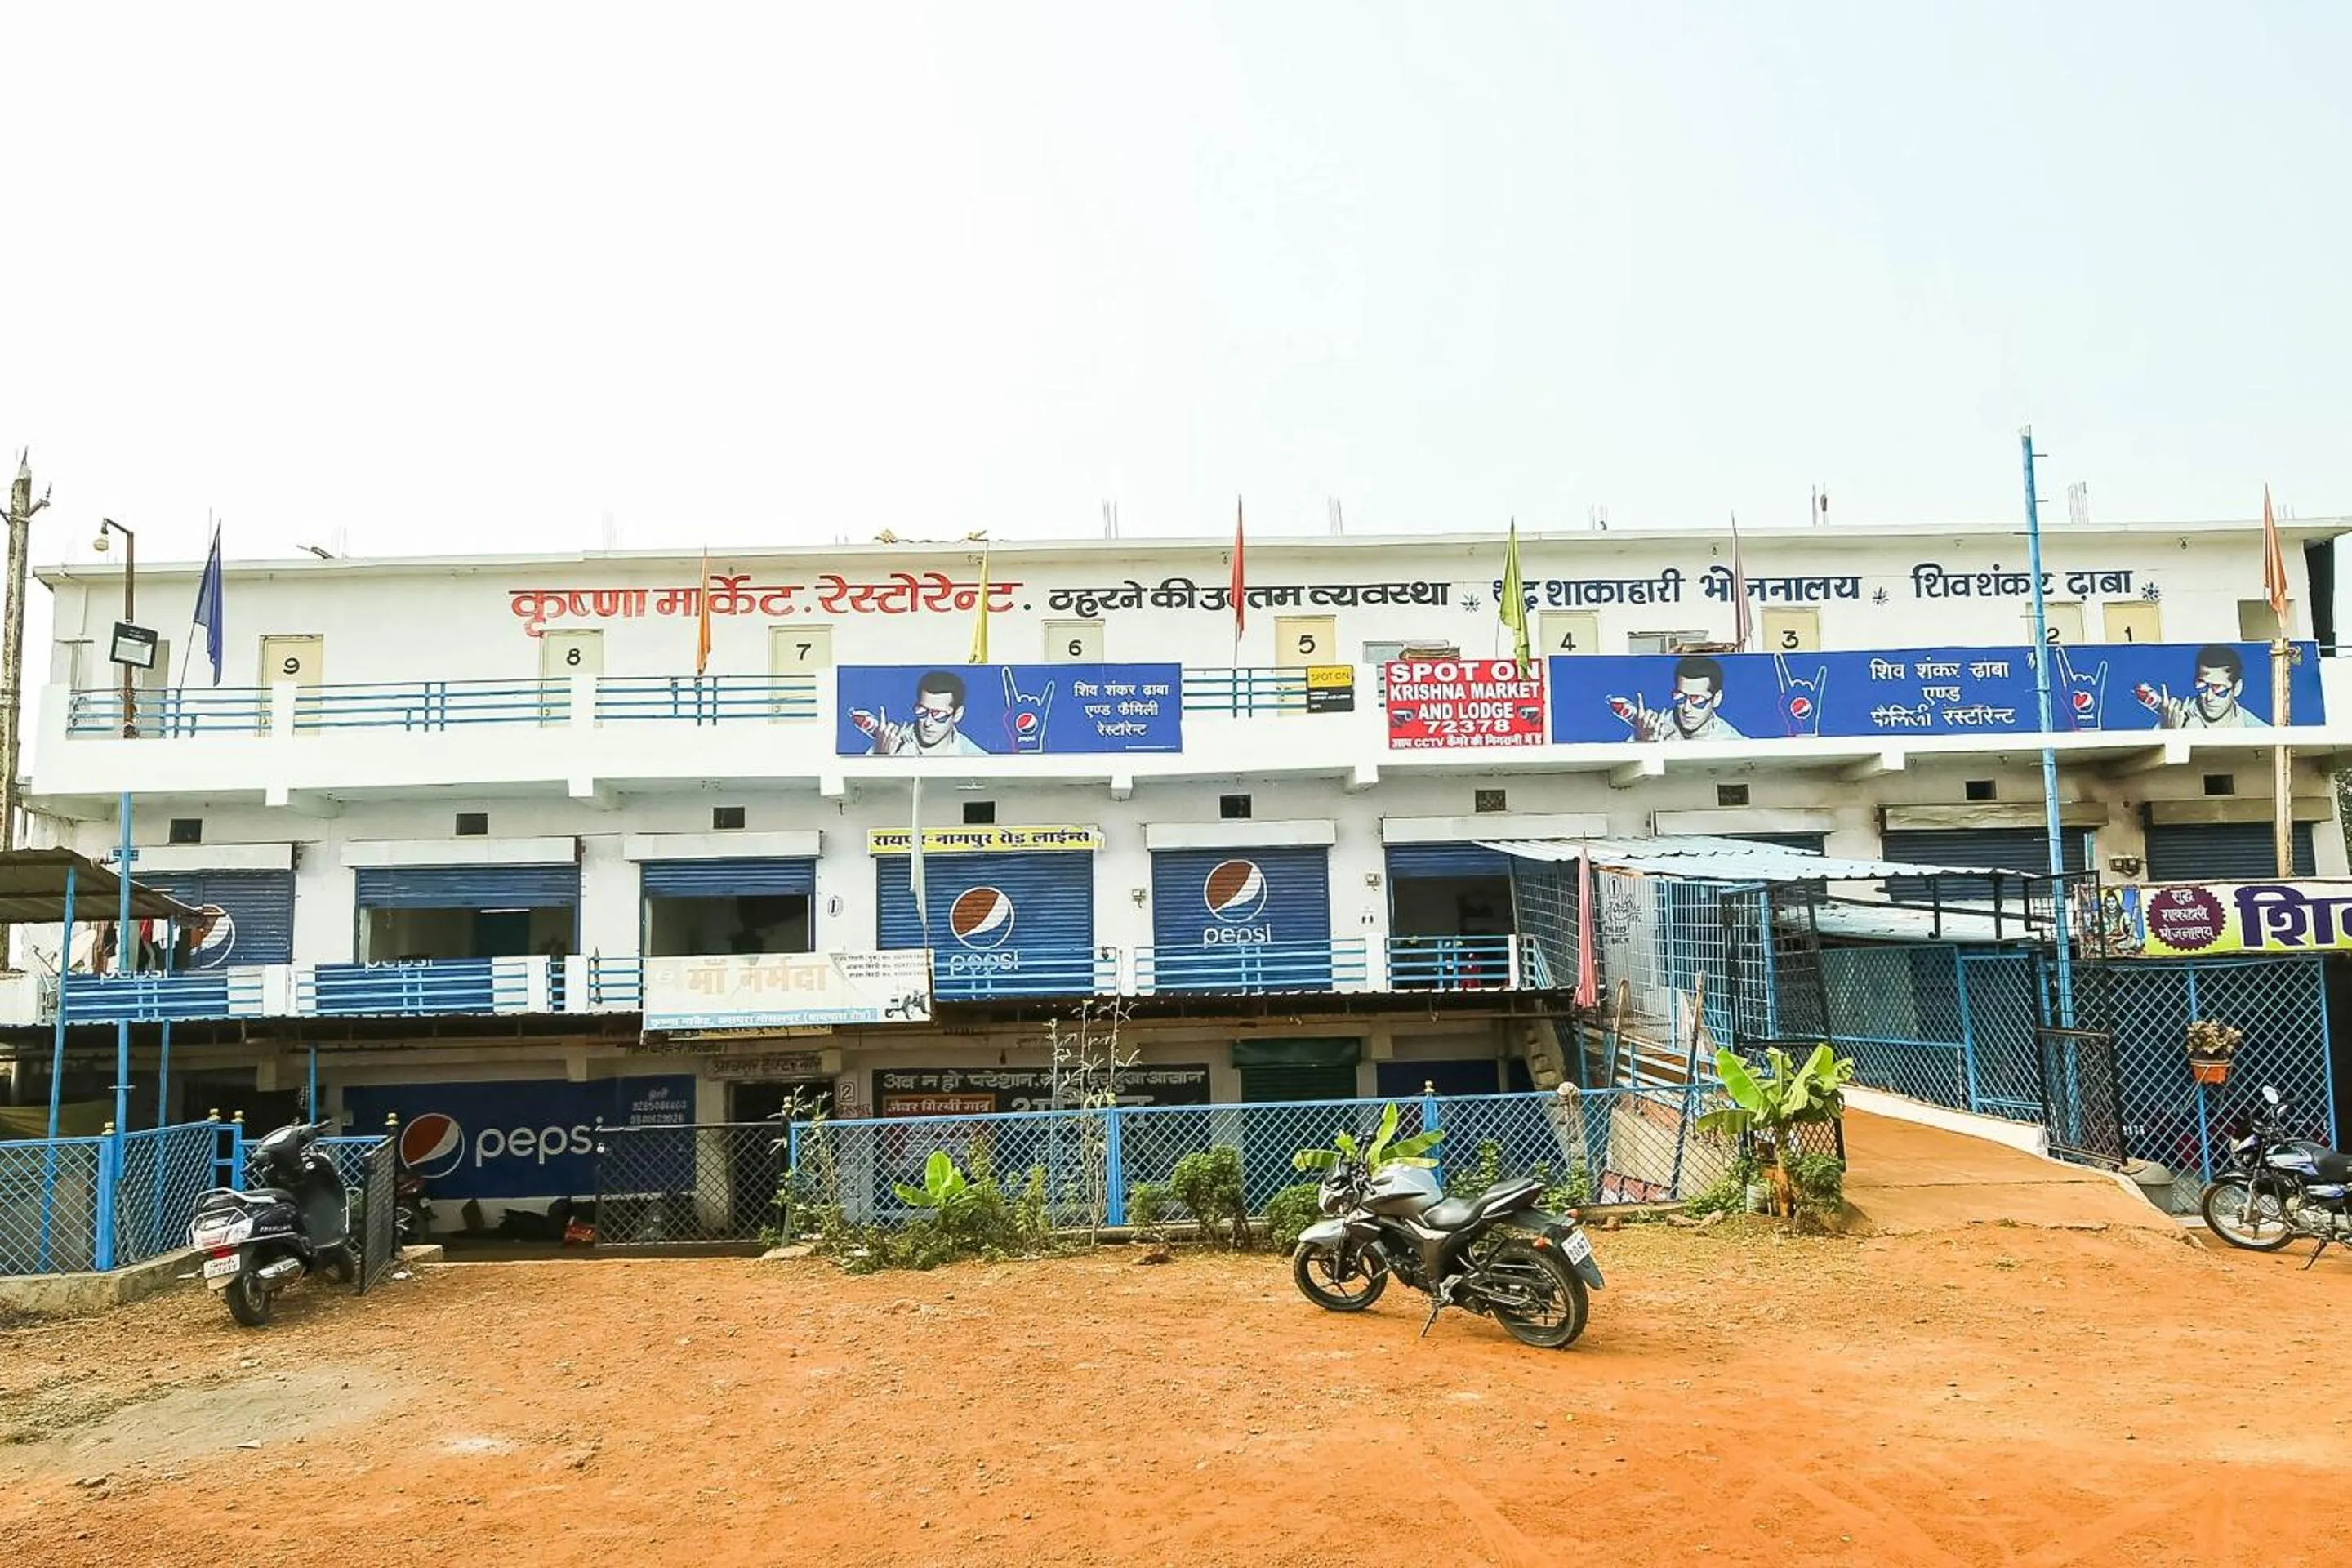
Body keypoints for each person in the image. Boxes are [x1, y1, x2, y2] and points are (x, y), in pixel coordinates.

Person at [861, 670, 991, 756]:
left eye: (938, 715)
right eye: (922, 712)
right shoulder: (887, 746)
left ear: (957, 714)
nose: (928, 723)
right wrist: (881, 761)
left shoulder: (976, 757)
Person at [2147, 644, 2268, 729]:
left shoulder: (2259, 730)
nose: (2209, 697)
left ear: (2237, 688)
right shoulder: (2171, 721)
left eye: (2219, 690)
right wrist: (2173, 736)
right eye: (2203, 688)